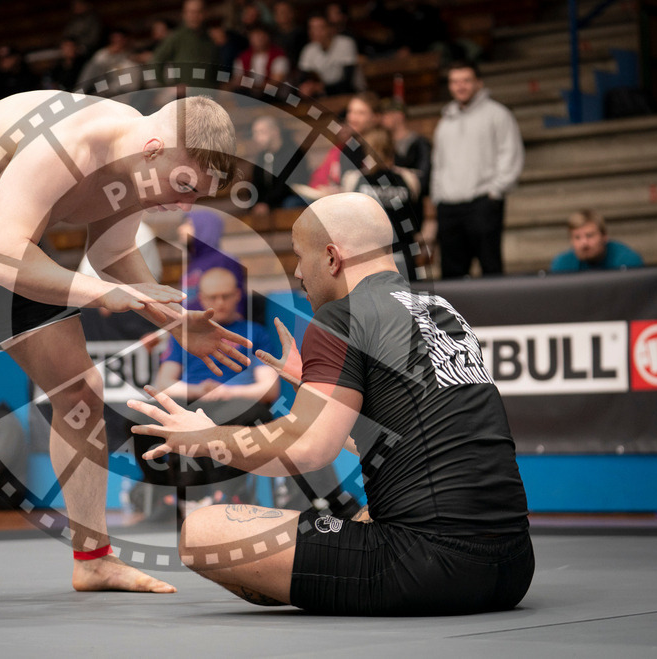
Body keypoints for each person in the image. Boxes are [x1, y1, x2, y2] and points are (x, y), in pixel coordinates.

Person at [0, 91, 251, 611]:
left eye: (195, 196)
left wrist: (176, 322)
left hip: (4, 239)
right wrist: (101, 295)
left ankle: (94, 560)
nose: (182, 206)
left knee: (79, 387)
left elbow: (110, 255)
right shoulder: (73, 140)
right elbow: (3, 260)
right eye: (182, 187)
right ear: (154, 148)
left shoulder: (138, 170)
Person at [128, 192, 534, 615]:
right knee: (361, 517)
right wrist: (316, 387)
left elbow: (308, 449)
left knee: (202, 532)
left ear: (332, 257)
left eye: (300, 257)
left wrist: (205, 437)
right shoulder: (440, 309)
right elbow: (406, 445)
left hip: (426, 566)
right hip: (512, 566)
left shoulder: (342, 316)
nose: (298, 273)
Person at [152, 266, 279, 513]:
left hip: (236, 404)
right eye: (212, 297)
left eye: (226, 296)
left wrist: (228, 393)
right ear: (200, 298)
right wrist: (199, 389)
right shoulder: (184, 333)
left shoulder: (255, 333)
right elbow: (162, 384)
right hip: (195, 400)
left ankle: (227, 494)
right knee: (138, 420)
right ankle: (169, 496)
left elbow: (269, 389)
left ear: (237, 295)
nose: (219, 303)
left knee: (232, 416)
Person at [431, 60, 523, 279]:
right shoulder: (445, 122)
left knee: (490, 269)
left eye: (466, 80)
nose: (460, 86)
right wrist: (438, 198)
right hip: (449, 207)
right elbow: (439, 164)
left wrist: (495, 192)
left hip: (483, 203)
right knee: (451, 275)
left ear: (478, 83)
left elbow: (511, 154)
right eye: (454, 81)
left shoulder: (498, 114)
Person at [339, 127, 421, 279]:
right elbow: (416, 220)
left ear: (366, 150)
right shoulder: (409, 179)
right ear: (392, 148)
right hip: (403, 257)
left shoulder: (354, 179)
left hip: (367, 260)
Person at [177, 209, 247, 317]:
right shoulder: (194, 263)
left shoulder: (223, 260)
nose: (181, 229)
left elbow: (236, 305)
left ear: (205, 228)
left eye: (189, 224)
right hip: (190, 327)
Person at [308, 92, 382, 193]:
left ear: (375, 117)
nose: (353, 118)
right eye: (351, 112)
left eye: (361, 113)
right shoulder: (349, 147)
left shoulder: (382, 145)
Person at [248, 115, 308, 214]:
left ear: (275, 132)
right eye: (255, 133)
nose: (256, 138)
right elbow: (256, 183)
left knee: (290, 204)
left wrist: (267, 203)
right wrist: (258, 203)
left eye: (261, 132)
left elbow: (288, 185)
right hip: (269, 203)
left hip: (289, 198)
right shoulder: (262, 156)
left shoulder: (293, 153)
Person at [550, 209, 644, 272]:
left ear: (604, 236)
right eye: (577, 237)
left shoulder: (628, 262)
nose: (584, 243)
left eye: (589, 236)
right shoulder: (562, 265)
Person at [297, 13, 365, 96]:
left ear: (329, 28)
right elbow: (302, 78)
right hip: (327, 95)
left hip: (352, 92)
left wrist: (320, 88)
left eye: (320, 28)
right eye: (312, 28)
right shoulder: (309, 49)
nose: (316, 32)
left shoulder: (346, 43)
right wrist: (306, 87)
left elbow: (347, 80)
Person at [380, 97, 431, 199]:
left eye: (386, 114)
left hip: (410, 205)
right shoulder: (384, 144)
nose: (382, 119)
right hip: (388, 200)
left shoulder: (419, 144)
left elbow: (423, 178)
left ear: (399, 116)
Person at [151, 0, 217, 69]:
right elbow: (155, 61)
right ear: (184, 14)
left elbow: (220, 66)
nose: (195, 16)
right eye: (191, 12)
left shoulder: (211, 37)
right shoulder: (176, 37)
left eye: (199, 12)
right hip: (184, 79)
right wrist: (162, 80)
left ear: (205, 13)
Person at [232, 25, 290, 92]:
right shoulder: (243, 57)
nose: (259, 39)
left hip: (273, 96)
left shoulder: (279, 56)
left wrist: (252, 85)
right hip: (248, 94)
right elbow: (238, 79)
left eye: (261, 36)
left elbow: (276, 83)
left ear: (268, 37)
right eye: (255, 36)